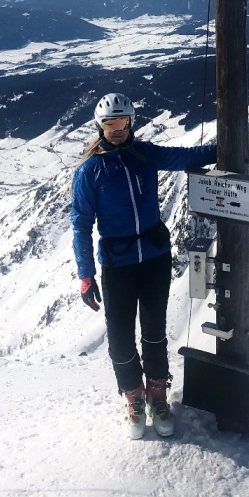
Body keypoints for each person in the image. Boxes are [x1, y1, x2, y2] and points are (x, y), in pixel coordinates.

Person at [71, 91, 217, 439]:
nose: (117, 130)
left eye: (122, 122)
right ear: (100, 126)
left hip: (154, 258)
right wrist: (86, 275)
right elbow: (81, 224)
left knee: (154, 332)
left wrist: (225, 148)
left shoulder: (145, 155)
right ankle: (133, 399)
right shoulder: (90, 171)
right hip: (117, 264)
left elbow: (184, 157)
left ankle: (157, 397)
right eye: (110, 124)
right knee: (120, 338)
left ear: (131, 122)